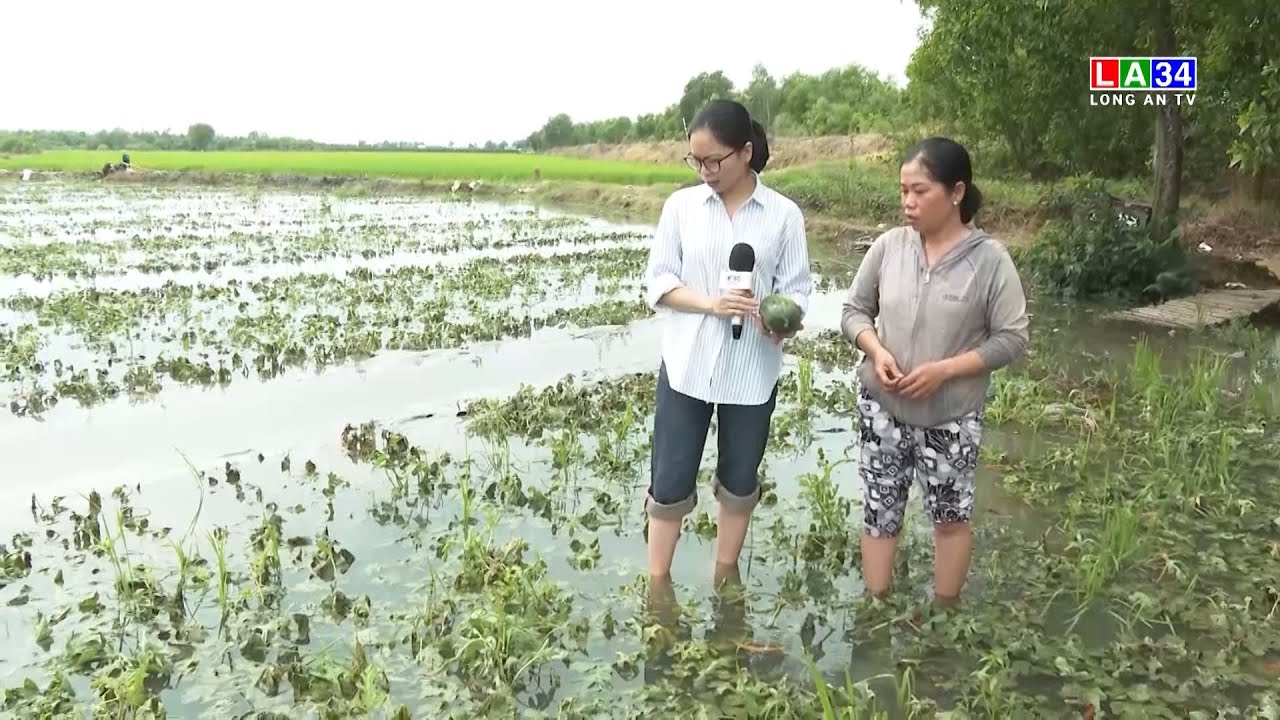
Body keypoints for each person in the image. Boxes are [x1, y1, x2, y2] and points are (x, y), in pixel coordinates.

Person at [840, 136, 1029, 605]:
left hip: (950, 416)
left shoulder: (989, 262)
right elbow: (854, 311)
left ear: (957, 192)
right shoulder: (889, 248)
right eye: (903, 190)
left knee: (949, 518)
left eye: (920, 191)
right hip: (882, 407)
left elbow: (1012, 337)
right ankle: (876, 603)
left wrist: (944, 370)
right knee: (880, 510)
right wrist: (875, 349)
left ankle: (945, 611)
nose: (908, 202)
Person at [642, 99, 814, 580]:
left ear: (744, 152)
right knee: (670, 480)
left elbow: (798, 288)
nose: (704, 171)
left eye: (713, 160)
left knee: (739, 480)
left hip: (752, 369)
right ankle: (658, 586)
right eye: (695, 161)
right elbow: (659, 281)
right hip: (686, 363)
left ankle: (725, 576)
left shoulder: (783, 215)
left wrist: (781, 318)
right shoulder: (681, 207)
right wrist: (712, 304)